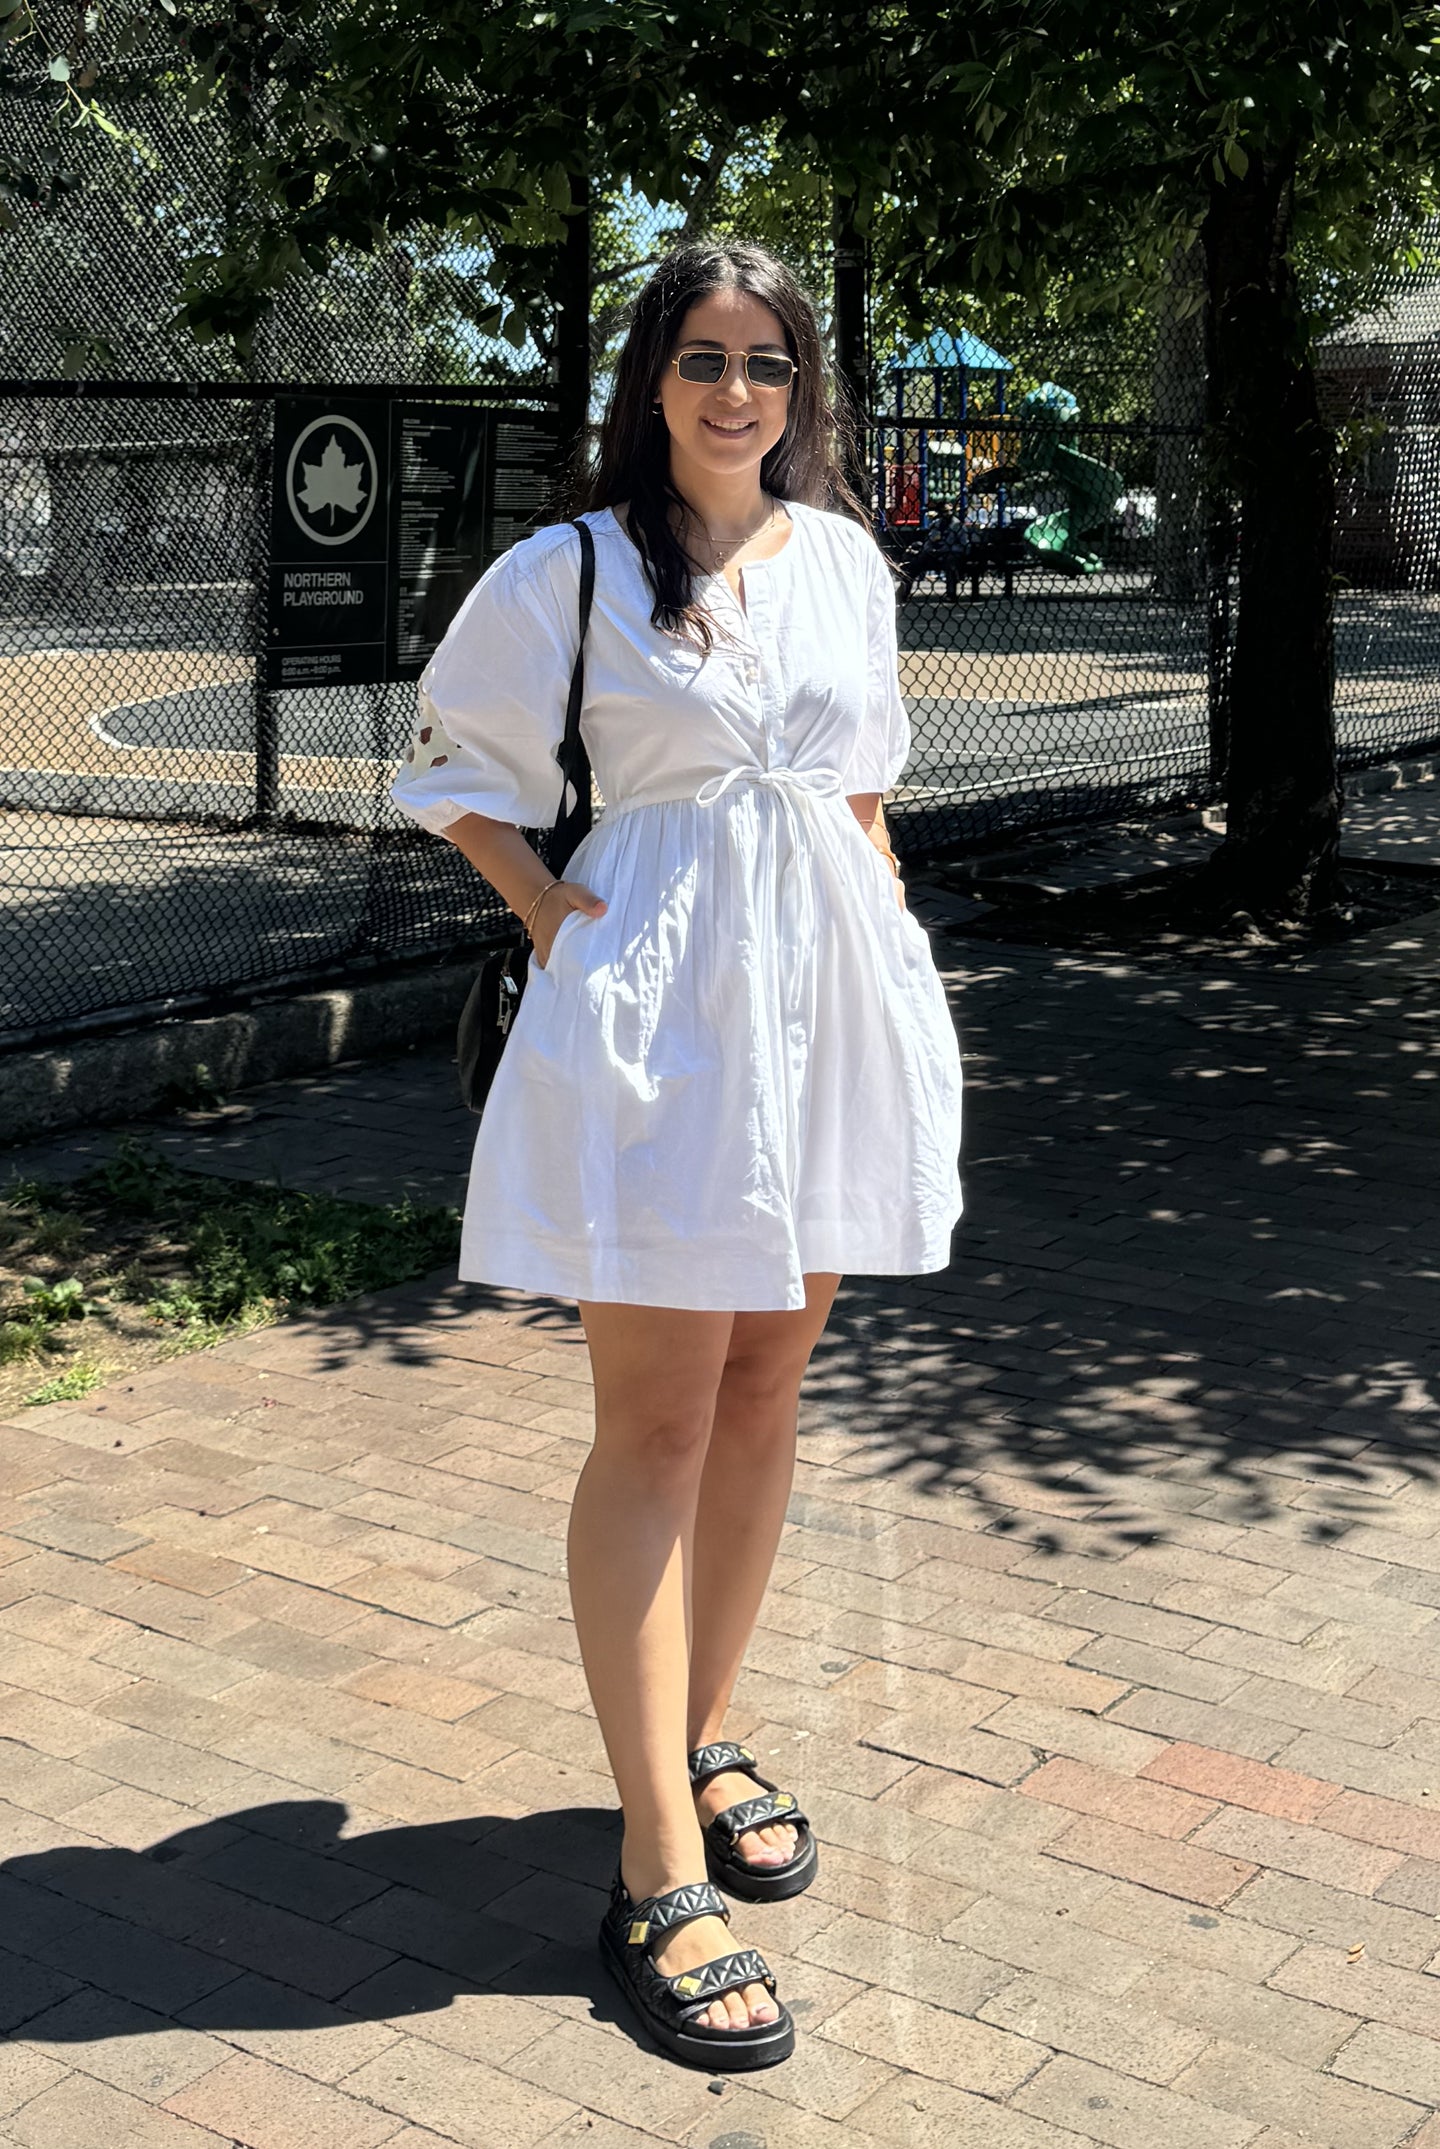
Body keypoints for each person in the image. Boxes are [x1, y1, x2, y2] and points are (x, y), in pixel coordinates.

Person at [390, 237, 963, 2071]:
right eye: (705, 357)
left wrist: (890, 949)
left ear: (803, 387)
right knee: (653, 1415)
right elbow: (455, 767)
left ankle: (700, 1733)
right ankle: (652, 1863)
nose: (738, 391)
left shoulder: (851, 563)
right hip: (662, 1021)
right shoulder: (567, 569)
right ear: (654, 380)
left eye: (770, 361)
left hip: (825, 1012)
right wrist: (557, 913)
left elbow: (860, 783)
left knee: (770, 1386)